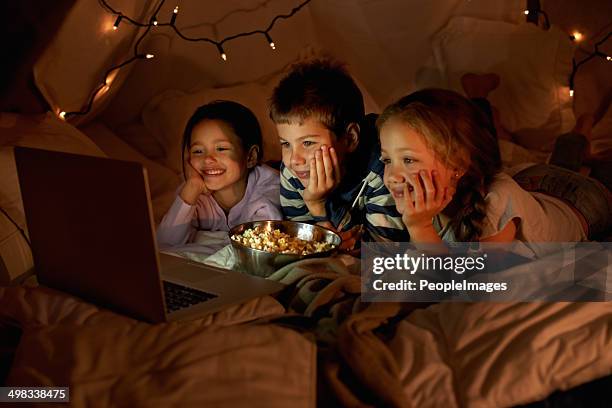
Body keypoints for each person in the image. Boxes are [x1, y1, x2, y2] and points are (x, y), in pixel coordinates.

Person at [376, 88, 612, 250]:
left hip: (579, 200)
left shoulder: (493, 208)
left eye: (408, 160)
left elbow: (460, 285)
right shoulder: (421, 199)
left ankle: (582, 130)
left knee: (584, 167)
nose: (393, 176)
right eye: (387, 160)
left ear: (458, 165)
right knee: (561, 162)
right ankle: (579, 139)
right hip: (528, 181)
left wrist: (419, 228)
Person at [269, 59, 408, 247]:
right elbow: (303, 244)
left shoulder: (384, 169)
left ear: (350, 139)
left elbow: (382, 251)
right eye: (286, 144)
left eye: (308, 143)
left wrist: (318, 205)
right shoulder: (293, 172)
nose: (294, 159)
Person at [157, 100, 282, 247]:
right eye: (198, 151)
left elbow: (262, 246)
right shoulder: (192, 191)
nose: (208, 159)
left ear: (250, 157)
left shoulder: (269, 190)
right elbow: (164, 244)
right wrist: (192, 187)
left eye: (221, 149)